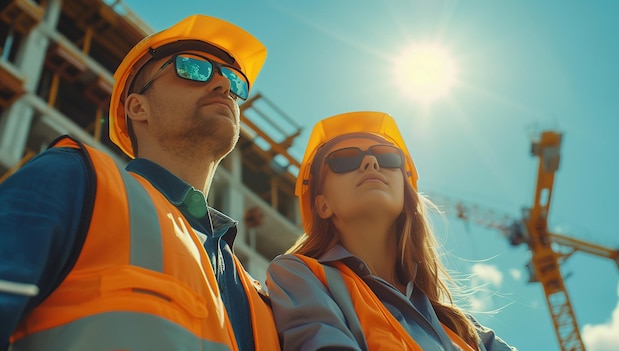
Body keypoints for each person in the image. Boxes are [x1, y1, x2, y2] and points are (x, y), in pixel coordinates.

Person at [0, 15, 280, 350]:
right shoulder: (79, 179)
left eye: (234, 81)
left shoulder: (259, 298)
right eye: (193, 68)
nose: (222, 85)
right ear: (138, 107)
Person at [266, 111, 517, 351]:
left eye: (387, 157)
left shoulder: (467, 330)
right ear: (322, 205)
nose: (370, 161)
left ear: (406, 193)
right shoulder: (300, 274)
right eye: (344, 160)